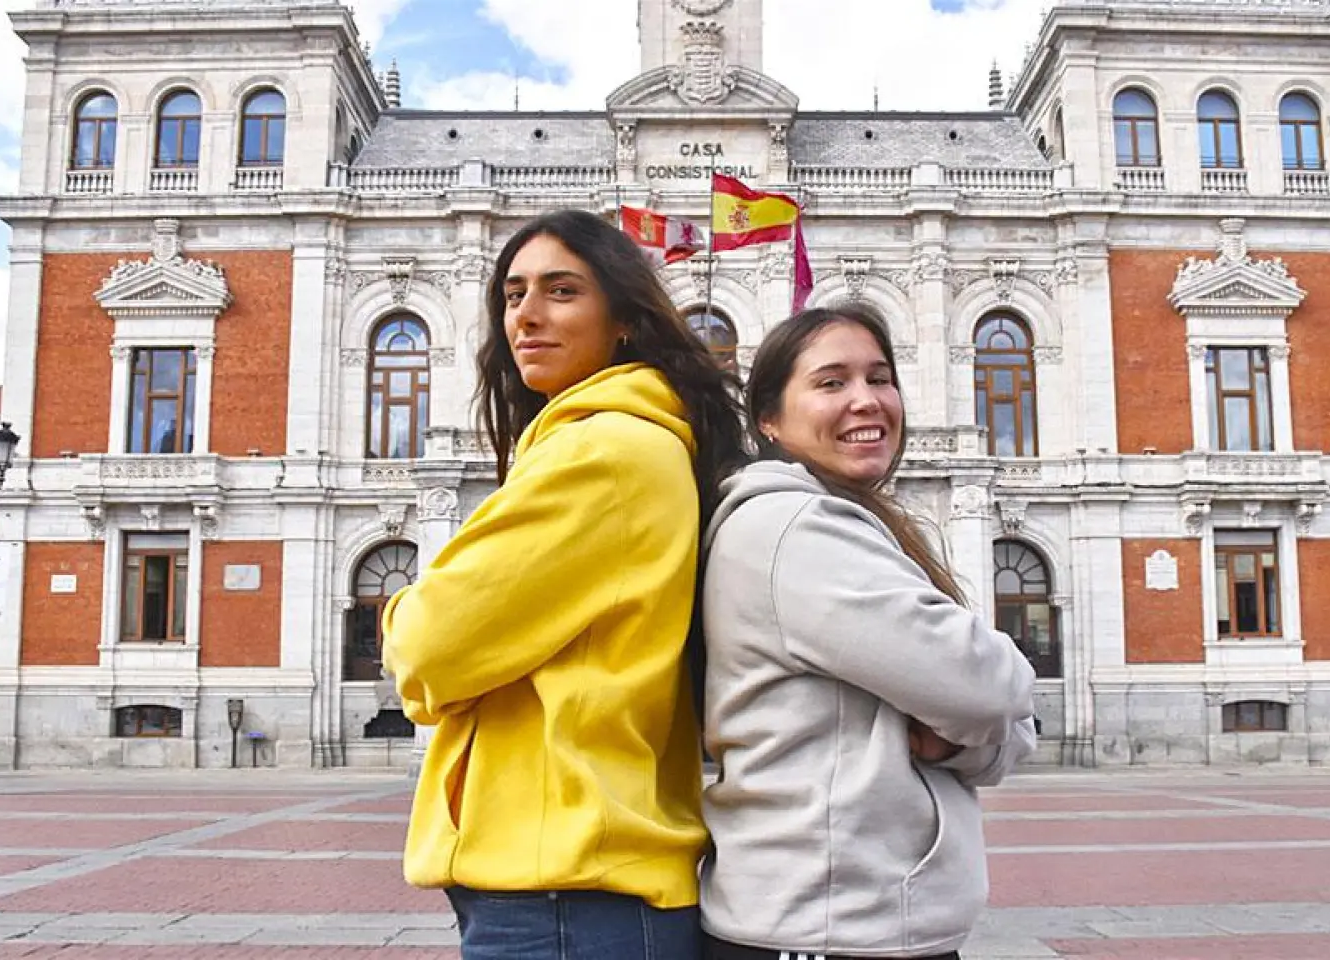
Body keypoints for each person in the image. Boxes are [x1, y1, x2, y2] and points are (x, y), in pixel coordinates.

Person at [380, 209, 747, 960]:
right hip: (575, 888)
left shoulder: (602, 452)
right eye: (513, 294)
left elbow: (425, 648)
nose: (527, 315)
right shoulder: (610, 441)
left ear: (623, 319)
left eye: (561, 290)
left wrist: (401, 615)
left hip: (567, 898)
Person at [699, 303, 1038, 960]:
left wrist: (955, 741)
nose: (867, 400)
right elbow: (993, 688)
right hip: (827, 927)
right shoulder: (794, 531)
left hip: (840, 922)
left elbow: (1000, 718)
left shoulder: (837, 525)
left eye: (880, 378)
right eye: (831, 383)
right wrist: (974, 708)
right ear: (768, 419)